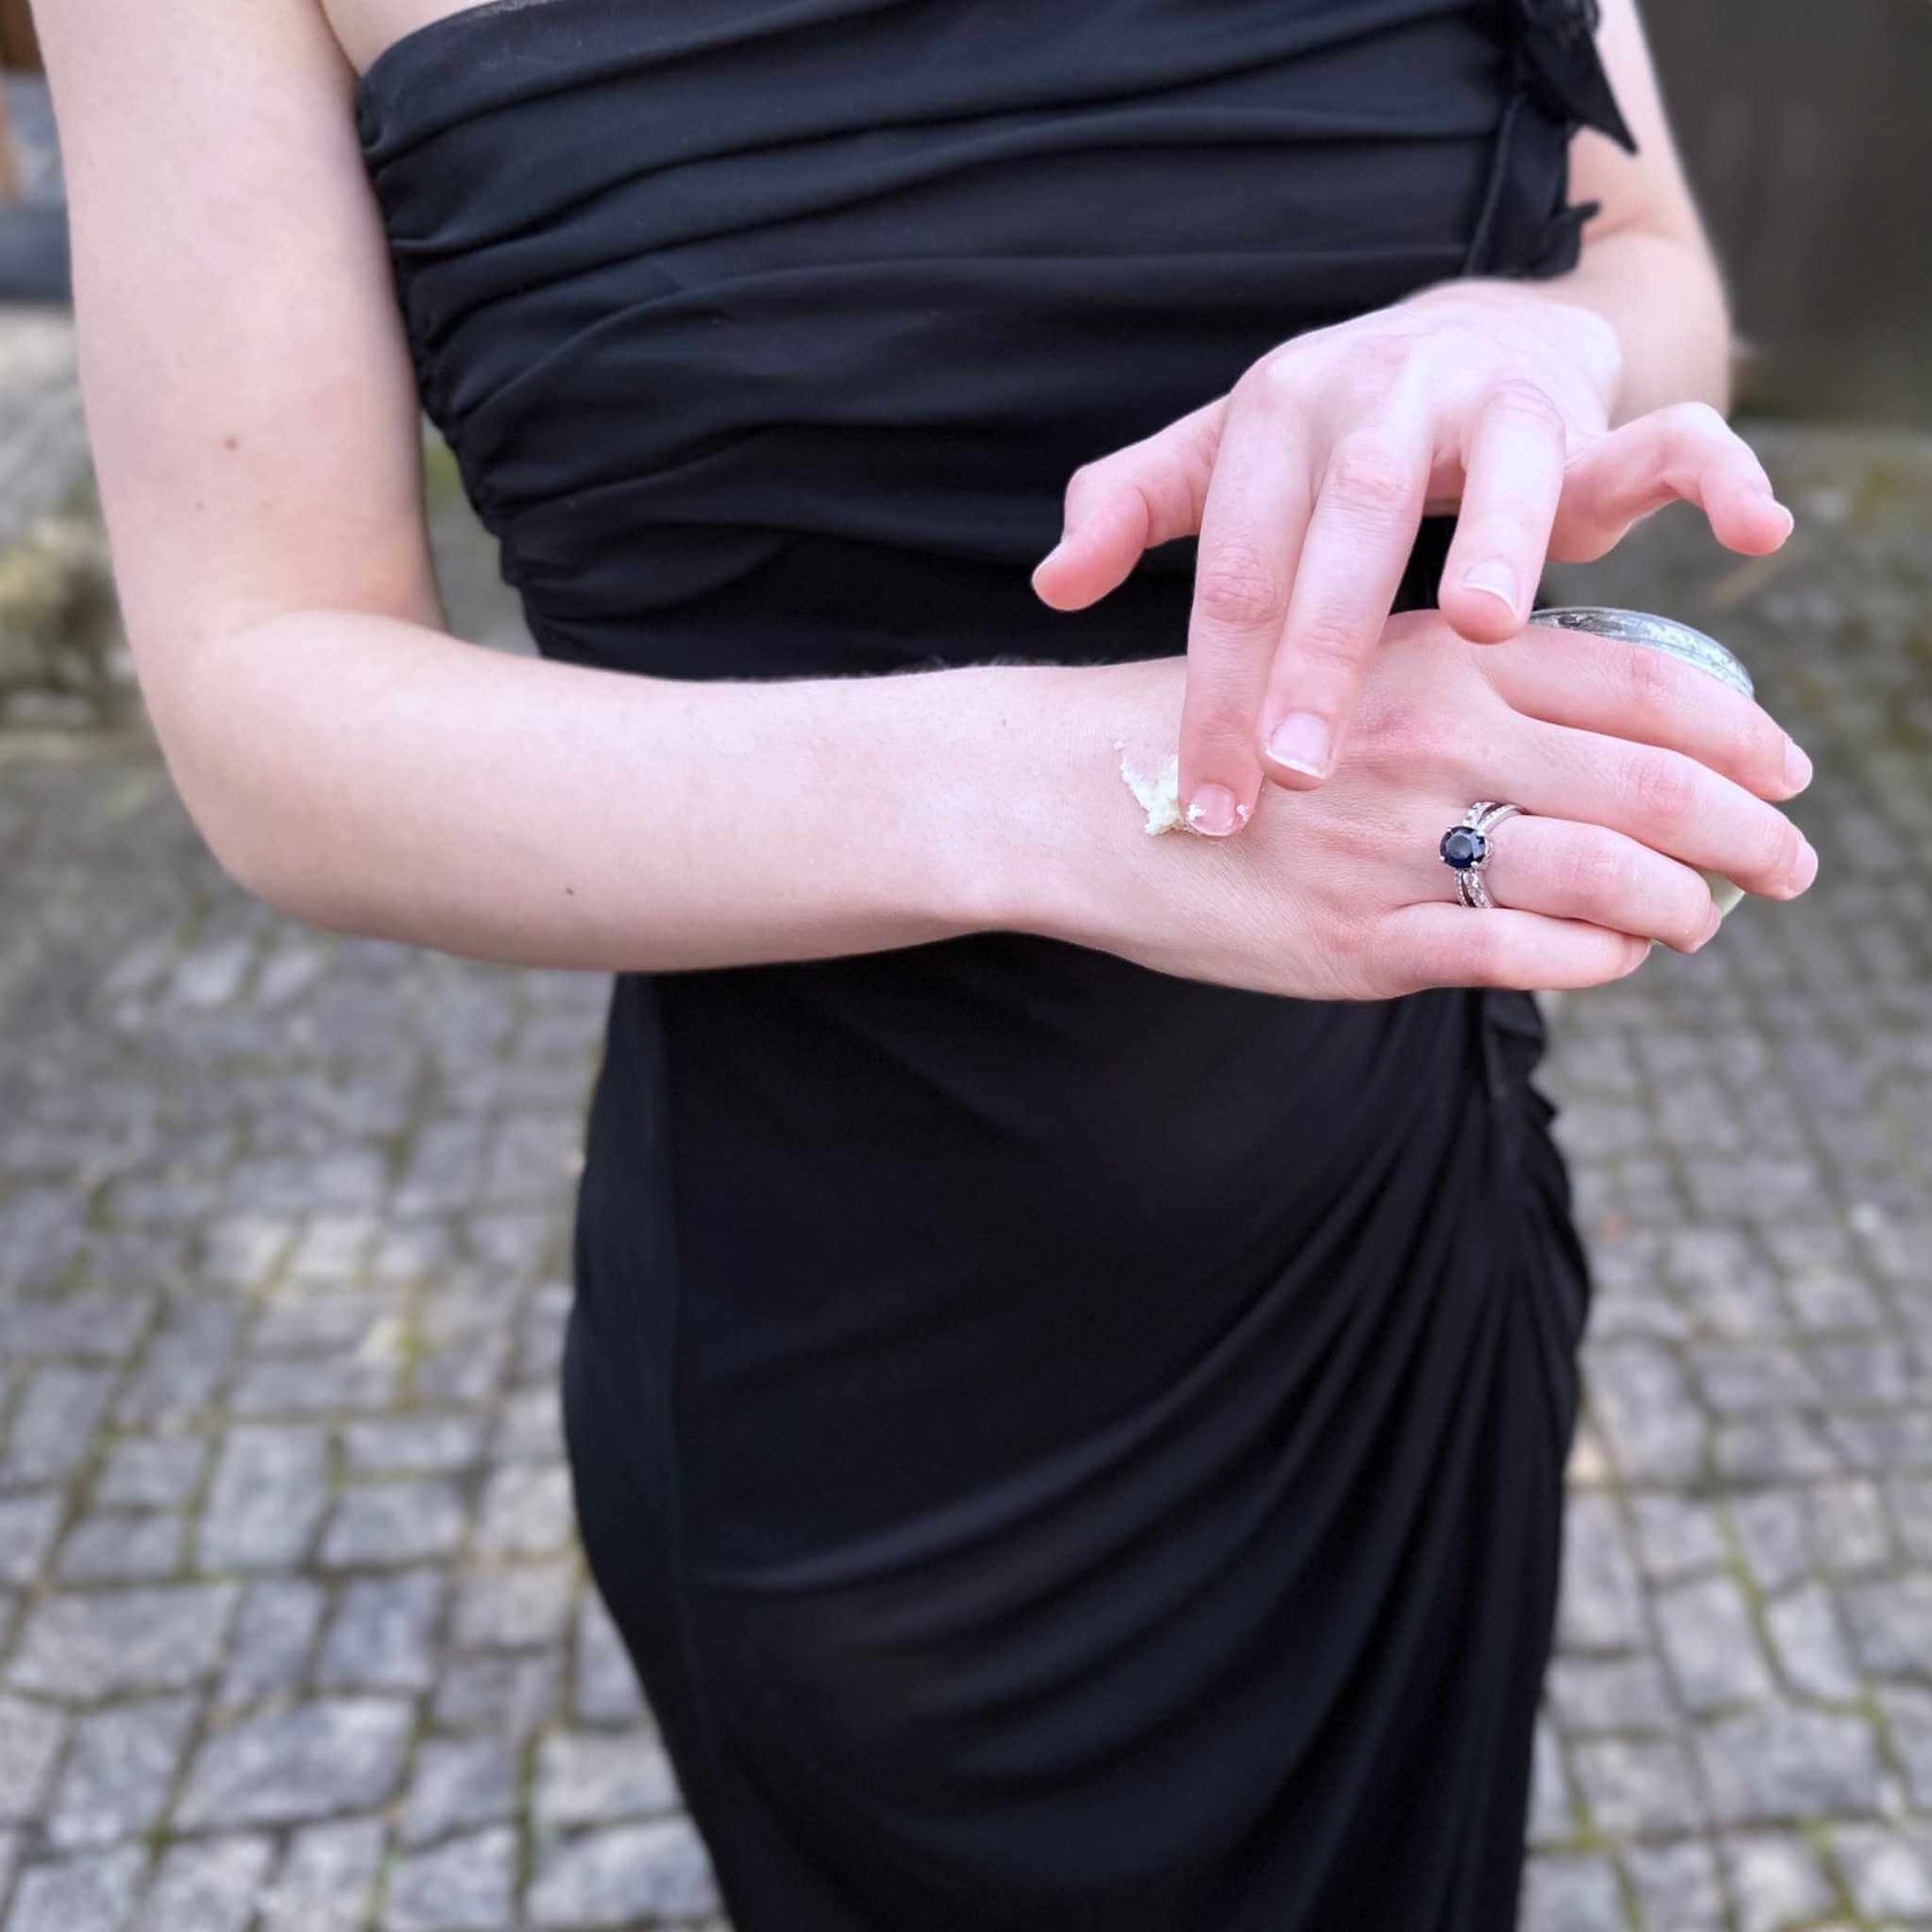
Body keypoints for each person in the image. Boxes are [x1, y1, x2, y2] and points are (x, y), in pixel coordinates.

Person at [41, 0, 1815, 1923]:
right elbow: (261, 705)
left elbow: (1649, 265)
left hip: (1409, 1265)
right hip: (897, 1472)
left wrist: (1530, 338)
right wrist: (1096, 791)